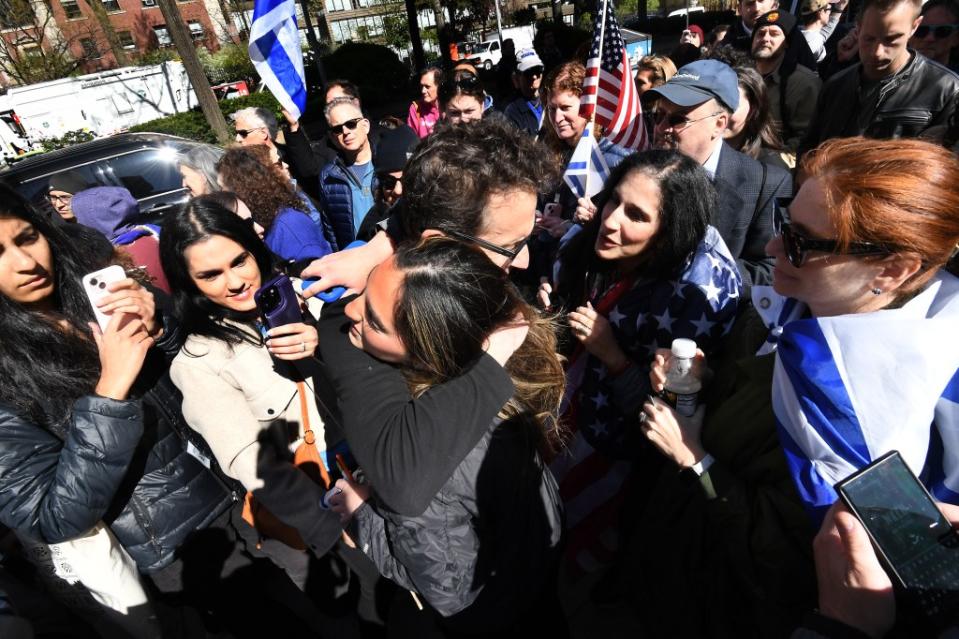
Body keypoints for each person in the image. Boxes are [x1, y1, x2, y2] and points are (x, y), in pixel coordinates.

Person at [634, 137, 959, 637]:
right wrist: (710, 381)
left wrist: (694, 460)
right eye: (786, 222)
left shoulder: (883, 419)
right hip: (681, 554)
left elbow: (789, 558)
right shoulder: (793, 299)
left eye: (803, 242)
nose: (771, 247)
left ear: (893, 271)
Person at [0, 184, 232, 630]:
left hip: (229, 490)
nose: (26, 263)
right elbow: (52, 515)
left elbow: (180, 387)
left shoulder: (87, 296)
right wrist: (108, 393)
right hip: (170, 559)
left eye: (28, 238)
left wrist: (159, 327)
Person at [324, 237, 565, 636]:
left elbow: (449, 591)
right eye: (365, 289)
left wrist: (362, 513)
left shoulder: (423, 454)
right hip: (538, 575)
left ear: (425, 354)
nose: (351, 310)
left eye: (374, 320)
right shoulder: (502, 390)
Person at [540, 150, 742, 573]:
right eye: (613, 200)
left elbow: (664, 422)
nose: (611, 221)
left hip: (623, 471)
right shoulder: (592, 240)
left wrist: (611, 354)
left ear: (669, 232)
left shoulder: (695, 300)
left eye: (636, 215)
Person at [648, 59, 792, 285]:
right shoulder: (640, 171)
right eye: (658, 116)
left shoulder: (765, 184)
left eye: (678, 119)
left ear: (719, 124)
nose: (662, 128)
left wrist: (701, 272)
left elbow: (769, 269)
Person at [800, 0, 959, 153]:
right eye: (869, 39)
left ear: (914, 26)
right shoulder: (835, 85)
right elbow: (809, 148)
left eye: (891, 39)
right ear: (858, 28)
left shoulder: (948, 90)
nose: (877, 52)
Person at [217, 145, 333, 264]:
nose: (221, 193)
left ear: (243, 188)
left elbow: (318, 275)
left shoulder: (290, 226)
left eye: (222, 187)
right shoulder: (264, 222)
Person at [70, 186, 171, 294]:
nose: (77, 223)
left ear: (93, 220)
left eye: (78, 218)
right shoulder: (151, 235)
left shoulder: (117, 259)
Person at [751, 9, 823, 151]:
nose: (765, 38)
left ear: (786, 43)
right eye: (760, 33)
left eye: (774, 34)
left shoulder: (805, 84)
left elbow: (806, 140)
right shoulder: (740, 77)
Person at [319, 97, 377, 250]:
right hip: (356, 260)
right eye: (338, 129)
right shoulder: (328, 176)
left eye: (351, 124)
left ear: (365, 125)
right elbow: (330, 230)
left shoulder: (387, 161)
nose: (345, 132)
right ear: (333, 137)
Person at [356, 124, 418, 242]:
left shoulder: (441, 212)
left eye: (407, 180)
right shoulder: (372, 228)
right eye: (389, 182)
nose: (398, 190)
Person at [724, 64, 790, 169]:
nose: (721, 114)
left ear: (753, 111)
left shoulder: (770, 169)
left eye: (731, 105)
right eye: (717, 103)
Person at [503, 48, 545, 136]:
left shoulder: (550, 99)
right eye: (528, 72)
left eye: (537, 70)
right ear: (517, 78)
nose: (534, 76)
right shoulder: (512, 112)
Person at [908, 0, 959, 71]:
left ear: (956, 38)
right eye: (921, 30)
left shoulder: (955, 80)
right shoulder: (889, 72)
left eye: (942, 31)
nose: (929, 38)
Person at [408, 67, 442, 139]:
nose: (423, 91)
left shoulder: (449, 107)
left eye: (427, 86)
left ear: (439, 86)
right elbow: (411, 140)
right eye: (421, 86)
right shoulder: (415, 108)